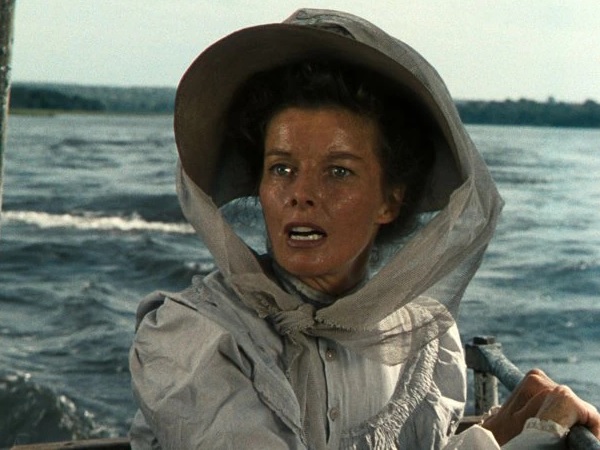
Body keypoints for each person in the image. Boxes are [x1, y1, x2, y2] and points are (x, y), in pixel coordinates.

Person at [128, 8, 600, 449]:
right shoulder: (193, 337)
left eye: (338, 171)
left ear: (390, 200)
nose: (301, 194)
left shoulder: (425, 341)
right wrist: (524, 441)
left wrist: (505, 430)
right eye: (281, 168)